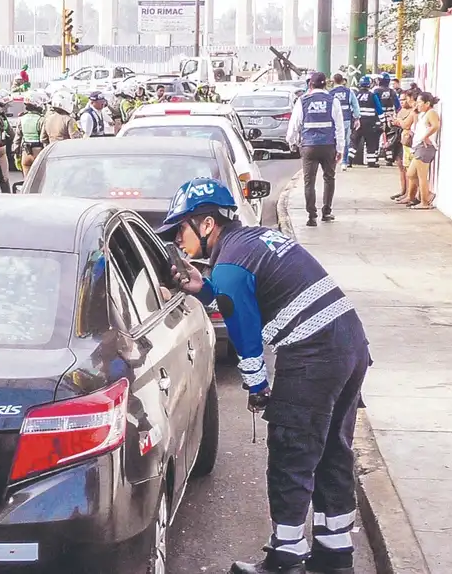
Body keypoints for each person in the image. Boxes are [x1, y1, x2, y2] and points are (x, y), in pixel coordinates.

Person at [158, 177, 371, 574]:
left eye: (180, 229)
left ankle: (286, 556)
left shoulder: (232, 262)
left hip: (314, 354)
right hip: (350, 346)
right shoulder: (253, 240)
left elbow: (243, 329)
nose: (178, 242)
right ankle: (335, 554)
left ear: (206, 225)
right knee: (330, 450)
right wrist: (205, 288)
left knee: (292, 451)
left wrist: (256, 385)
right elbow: (232, 293)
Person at [286, 71, 346, 227]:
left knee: (309, 182)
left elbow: (294, 125)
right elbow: (339, 127)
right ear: (325, 84)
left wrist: (291, 142)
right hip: (328, 146)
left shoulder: (303, 101)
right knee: (329, 178)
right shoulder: (333, 101)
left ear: (310, 85)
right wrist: (340, 149)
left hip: (309, 146)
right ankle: (326, 212)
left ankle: (311, 216)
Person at [406, 92, 441, 210]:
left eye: (420, 102)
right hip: (419, 146)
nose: (418, 104)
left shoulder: (431, 113)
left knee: (421, 176)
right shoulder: (422, 114)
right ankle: (427, 194)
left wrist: (426, 136)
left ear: (427, 103)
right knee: (411, 174)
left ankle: (424, 202)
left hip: (425, 147)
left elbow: (435, 125)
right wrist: (415, 111)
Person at [390, 89, 418, 204]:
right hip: (400, 140)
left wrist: (399, 121)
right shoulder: (402, 110)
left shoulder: (413, 111)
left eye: (405, 99)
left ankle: (410, 195)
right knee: (402, 167)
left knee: (408, 170)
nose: (403, 102)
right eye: (400, 99)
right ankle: (404, 191)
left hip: (409, 142)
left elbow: (406, 124)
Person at [329, 73, 361, 172]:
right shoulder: (349, 91)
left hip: (333, 120)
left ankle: (333, 160)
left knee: (334, 140)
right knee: (345, 141)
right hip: (346, 119)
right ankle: (344, 162)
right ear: (343, 81)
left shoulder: (331, 92)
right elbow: (355, 105)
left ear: (333, 81)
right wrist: (357, 118)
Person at [352, 76, 384, 168]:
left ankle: (349, 160)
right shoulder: (372, 95)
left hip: (358, 122)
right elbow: (379, 109)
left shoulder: (355, 94)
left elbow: (352, 107)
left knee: (354, 141)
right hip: (370, 123)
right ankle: (371, 162)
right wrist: (382, 121)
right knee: (371, 142)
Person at [14, 89, 47, 176]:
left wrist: (16, 154)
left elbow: (17, 138)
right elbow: (44, 139)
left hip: (26, 152)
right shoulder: (41, 119)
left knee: (27, 181)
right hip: (38, 152)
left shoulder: (21, 118)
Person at [373, 73, 402, 166]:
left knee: (376, 137)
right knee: (389, 136)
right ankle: (389, 157)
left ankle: (375, 156)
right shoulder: (392, 91)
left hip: (378, 117)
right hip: (389, 117)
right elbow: (398, 105)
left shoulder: (375, 90)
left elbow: (374, 103)